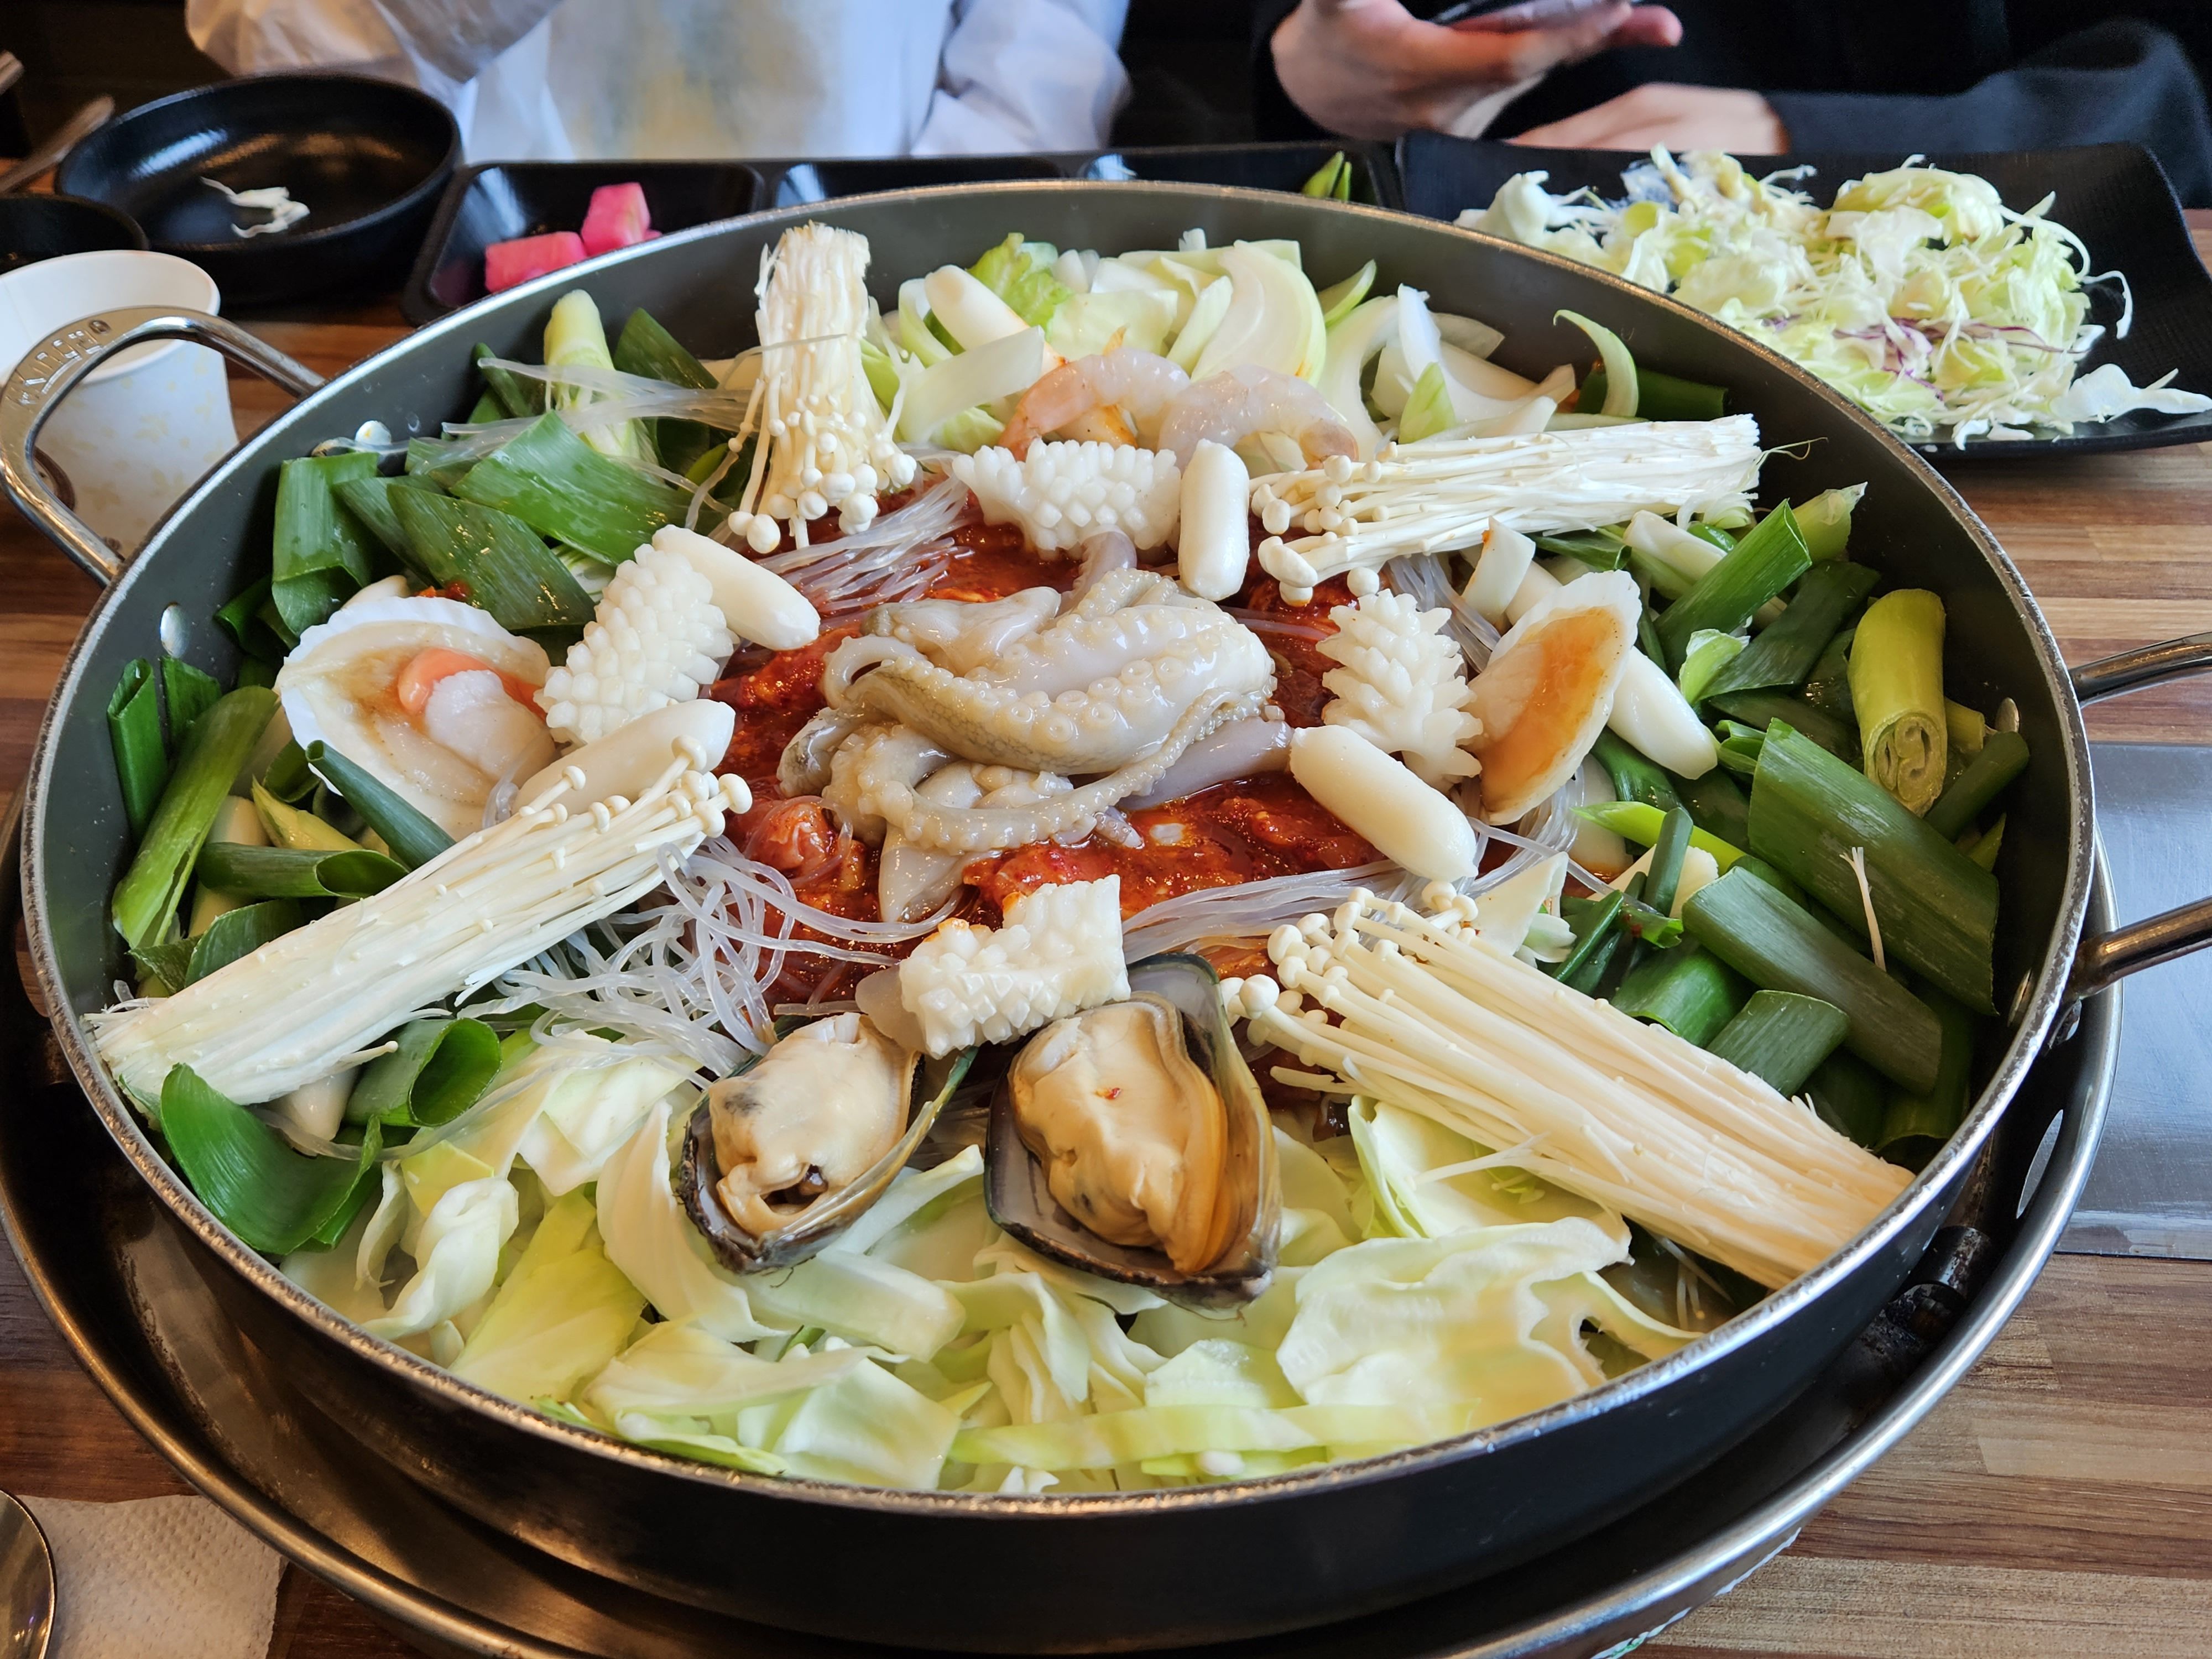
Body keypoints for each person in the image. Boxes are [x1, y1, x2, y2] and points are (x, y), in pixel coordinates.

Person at [1256, 1, 2212, 206]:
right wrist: (1310, 73)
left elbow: (2179, 89)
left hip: (2029, 247)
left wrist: (1820, 139)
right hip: (1503, 261)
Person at [187, 0, 1132, 161]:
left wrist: (928, 225)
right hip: (486, 251)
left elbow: (1047, 45)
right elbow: (267, 47)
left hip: (872, 206)